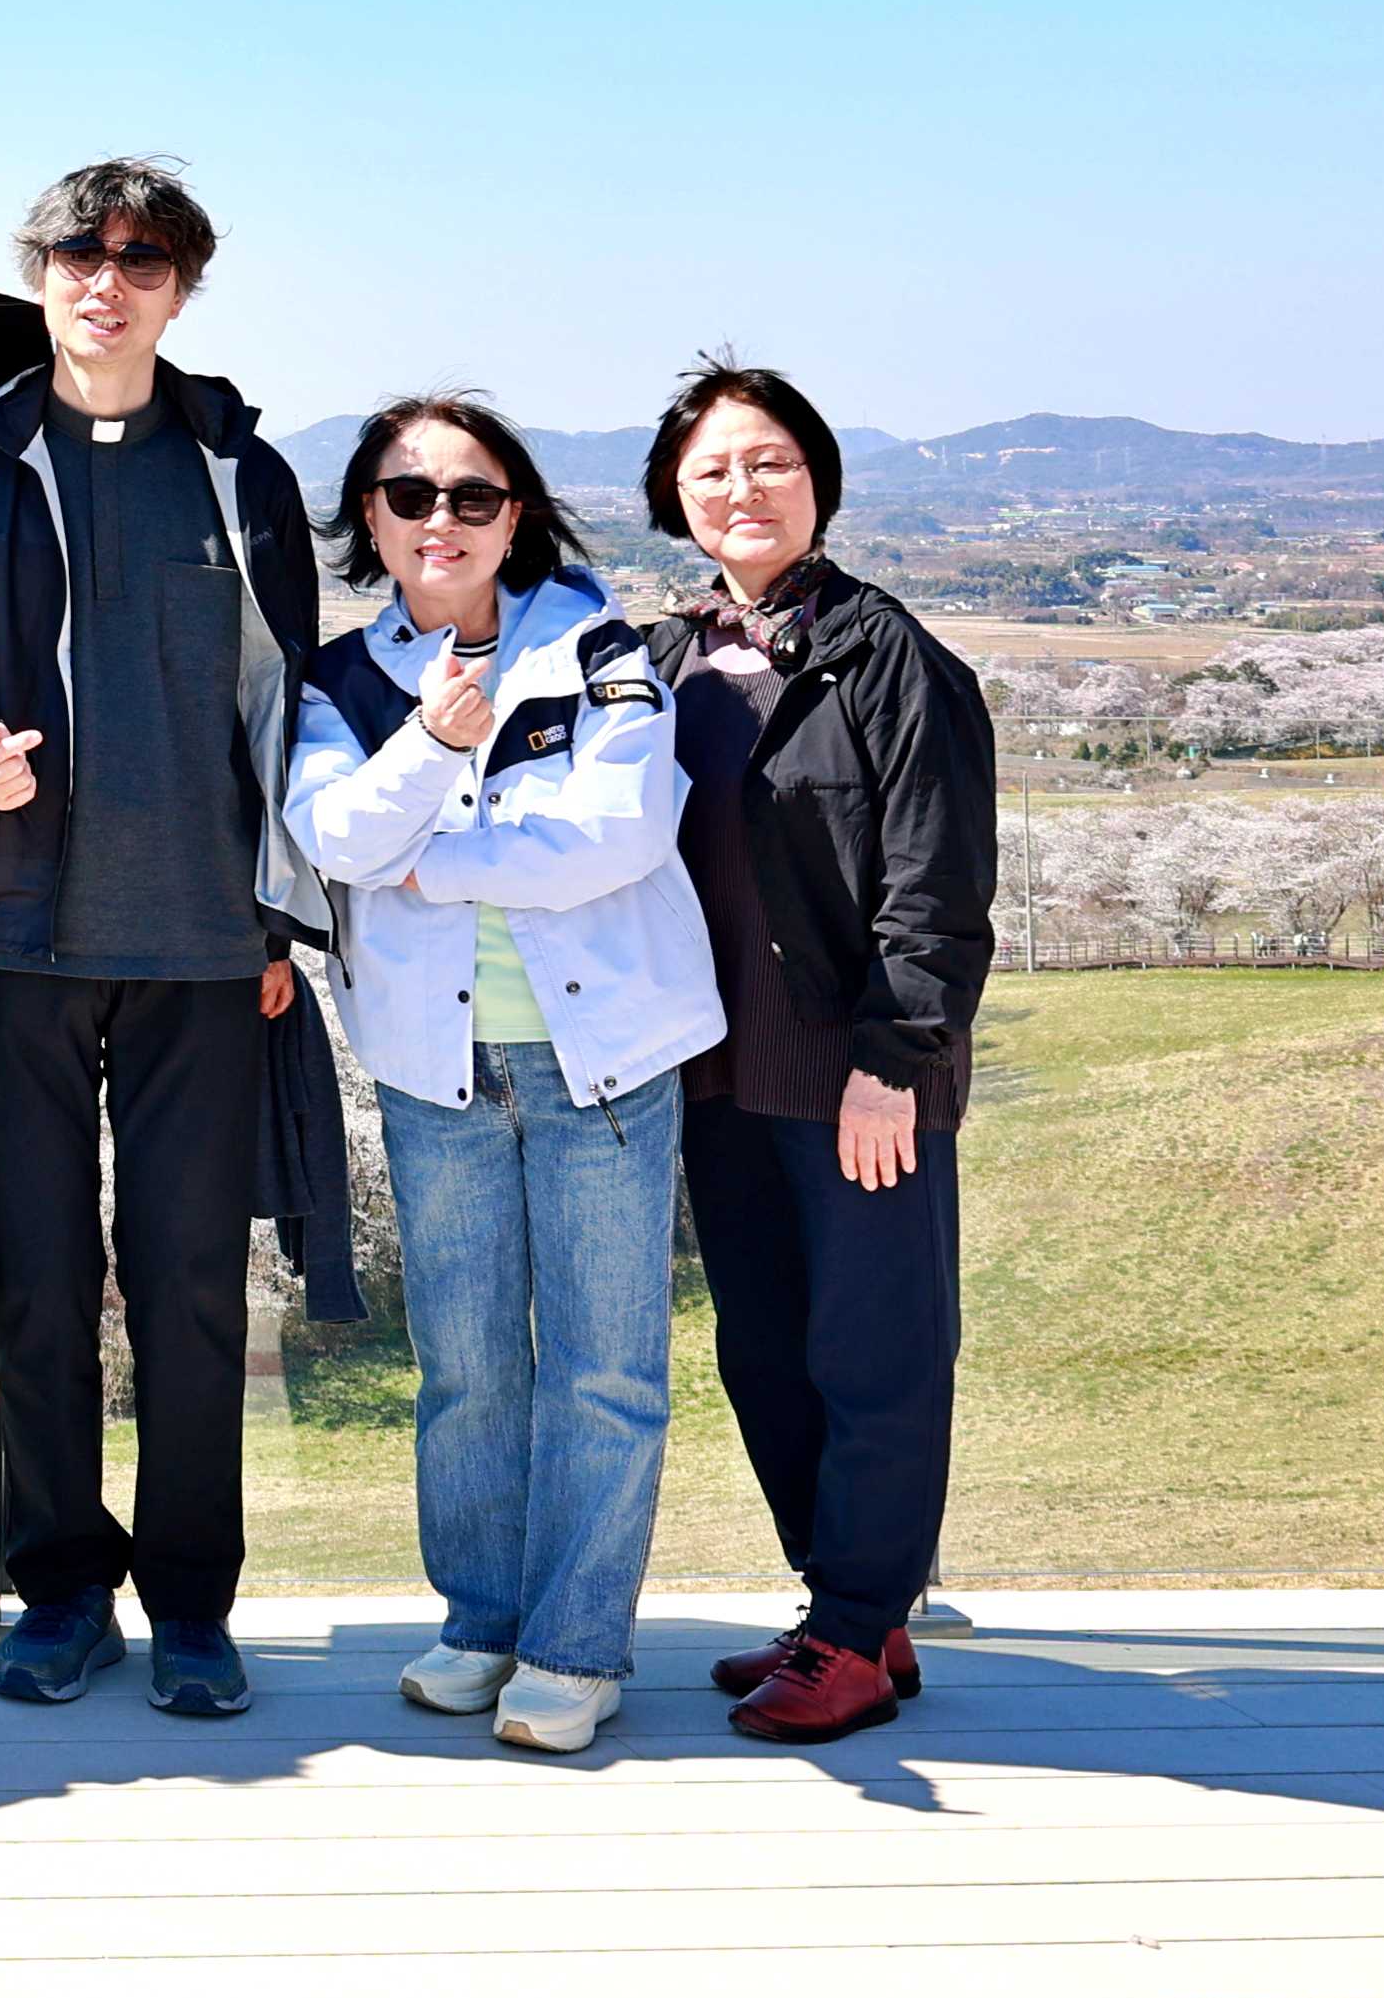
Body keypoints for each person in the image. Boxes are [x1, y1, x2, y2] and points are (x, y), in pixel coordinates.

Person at [0, 158, 326, 1721]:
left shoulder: (238, 471)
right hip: (12, 938)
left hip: (205, 942)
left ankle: (192, 1604)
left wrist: (276, 916)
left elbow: (284, 700)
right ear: (38, 271)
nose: (104, 280)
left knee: (192, 1286)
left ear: (178, 289)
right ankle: (56, 1586)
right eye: (78, 251)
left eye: (140, 258)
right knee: (39, 1281)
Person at [281, 395, 722, 1757]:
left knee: (603, 1367)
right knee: (464, 1364)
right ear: (369, 519)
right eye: (409, 496)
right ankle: (479, 1620)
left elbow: (620, 830)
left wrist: (432, 861)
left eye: (472, 496)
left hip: (604, 1061)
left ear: (513, 514)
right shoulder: (339, 681)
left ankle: (574, 1647)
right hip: (437, 1068)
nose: (441, 521)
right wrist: (431, 742)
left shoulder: (597, 645)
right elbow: (330, 835)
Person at [640, 357, 998, 1745]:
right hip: (717, 1069)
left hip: (857, 1078)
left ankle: (854, 1627)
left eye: (771, 460)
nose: (743, 486)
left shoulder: (889, 657)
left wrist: (893, 1062)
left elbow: (936, 880)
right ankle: (852, 1610)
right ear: (674, 496)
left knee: (875, 1350)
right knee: (767, 1352)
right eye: (713, 468)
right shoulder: (663, 662)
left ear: (819, 483)